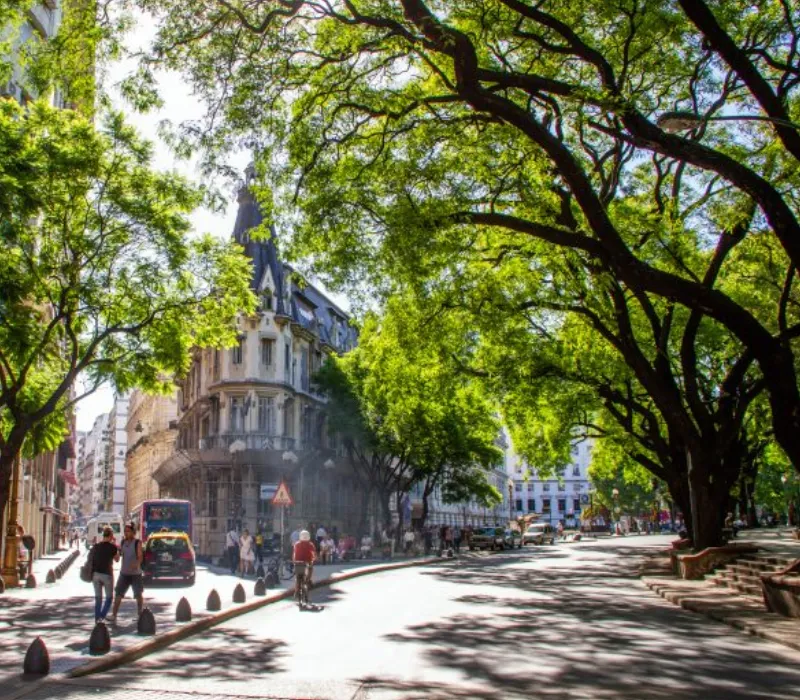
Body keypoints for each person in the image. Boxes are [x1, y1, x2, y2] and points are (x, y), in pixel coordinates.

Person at [109, 522, 144, 623]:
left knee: (138, 594)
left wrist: (137, 564)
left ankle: (140, 614)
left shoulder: (137, 542)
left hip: (135, 574)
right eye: (125, 531)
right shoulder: (123, 542)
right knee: (118, 594)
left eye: (128, 531)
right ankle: (114, 615)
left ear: (133, 532)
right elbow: (119, 555)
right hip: (124, 573)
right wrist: (115, 556)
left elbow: (140, 556)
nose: (126, 533)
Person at [91, 527, 120, 623]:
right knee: (109, 597)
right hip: (107, 574)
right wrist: (116, 546)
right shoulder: (112, 547)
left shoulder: (96, 546)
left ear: (103, 535)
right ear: (111, 536)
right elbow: (117, 559)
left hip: (96, 574)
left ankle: (96, 619)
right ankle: (101, 617)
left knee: (98, 598)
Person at [292, 529, 317, 603]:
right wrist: (314, 560)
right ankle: (308, 580)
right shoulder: (310, 544)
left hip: (298, 563)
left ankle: (296, 590)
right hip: (308, 563)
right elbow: (314, 554)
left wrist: (294, 561)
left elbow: (294, 554)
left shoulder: (297, 544)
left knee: (297, 577)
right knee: (310, 569)